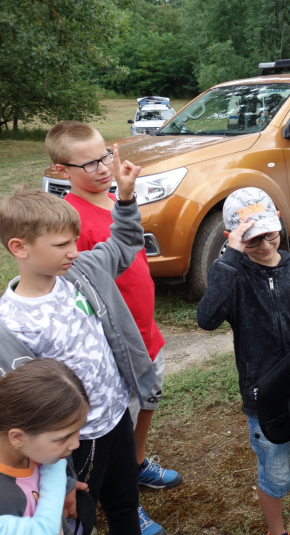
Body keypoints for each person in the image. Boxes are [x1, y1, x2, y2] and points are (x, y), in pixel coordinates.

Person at [0, 150, 158, 535]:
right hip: (75, 442)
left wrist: (124, 198)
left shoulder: (82, 270)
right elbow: (30, 412)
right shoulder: (11, 324)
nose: (74, 250)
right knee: (81, 515)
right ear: (19, 248)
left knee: (124, 503)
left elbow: (121, 244)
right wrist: (64, 481)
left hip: (117, 415)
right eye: (60, 245)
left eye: (74, 241)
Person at [47, 122, 182, 502]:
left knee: (148, 399)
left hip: (145, 330)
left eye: (105, 154)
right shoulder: (68, 221)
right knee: (119, 419)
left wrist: (125, 195)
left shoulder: (116, 200)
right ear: (61, 170)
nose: (103, 166)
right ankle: (119, 488)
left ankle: (137, 463)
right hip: (114, 342)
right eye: (89, 163)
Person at [196, 188, 290, 535]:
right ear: (234, 239)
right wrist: (229, 258)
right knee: (274, 475)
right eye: (252, 239)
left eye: (269, 234)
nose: (263, 245)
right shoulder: (233, 278)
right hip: (263, 395)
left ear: (279, 224)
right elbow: (207, 318)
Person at [0, 359, 90, 535]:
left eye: (77, 431)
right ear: (18, 438)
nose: (76, 444)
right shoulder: (5, 500)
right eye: (63, 438)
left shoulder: (33, 450)